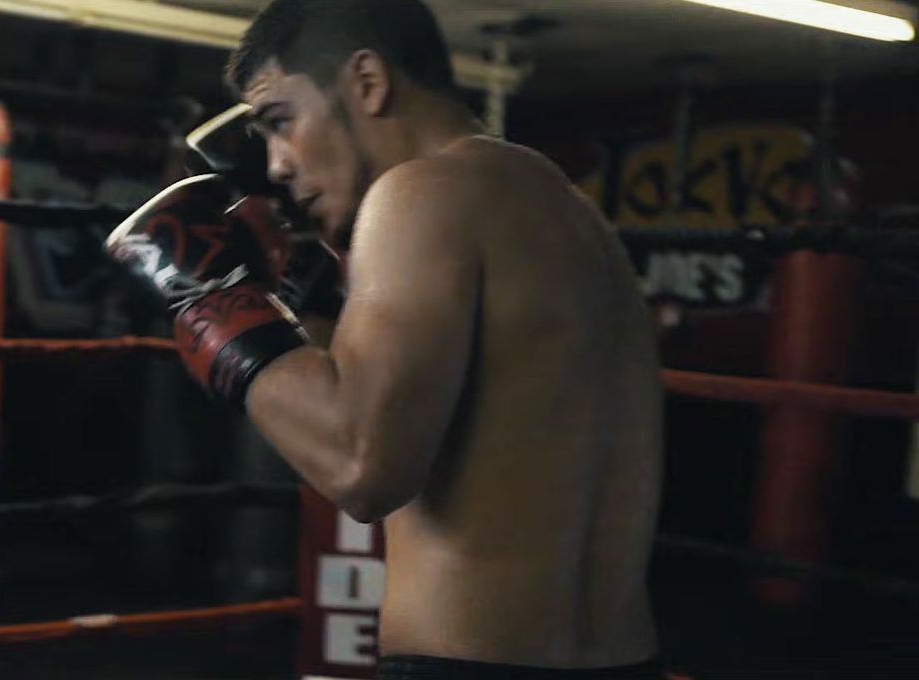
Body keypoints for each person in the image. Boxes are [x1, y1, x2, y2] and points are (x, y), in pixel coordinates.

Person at [109, 0, 665, 677]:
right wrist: (303, 303)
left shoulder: (419, 194)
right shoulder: (567, 211)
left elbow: (360, 467)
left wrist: (210, 302)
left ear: (367, 81)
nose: (278, 165)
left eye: (281, 122)